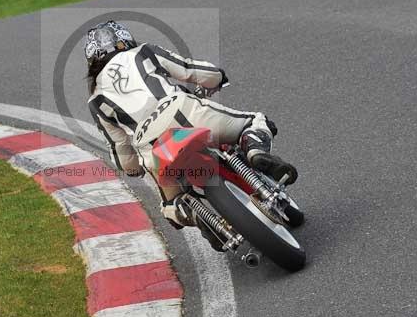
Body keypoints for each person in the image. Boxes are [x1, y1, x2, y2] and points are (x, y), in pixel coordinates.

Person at [85, 21, 298, 247]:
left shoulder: (96, 101)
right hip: (182, 112)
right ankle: (254, 150)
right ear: (125, 38)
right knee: (253, 121)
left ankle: (196, 215)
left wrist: (133, 169)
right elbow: (190, 70)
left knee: (170, 205)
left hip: (150, 144)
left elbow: (120, 150)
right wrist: (217, 76)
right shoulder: (144, 52)